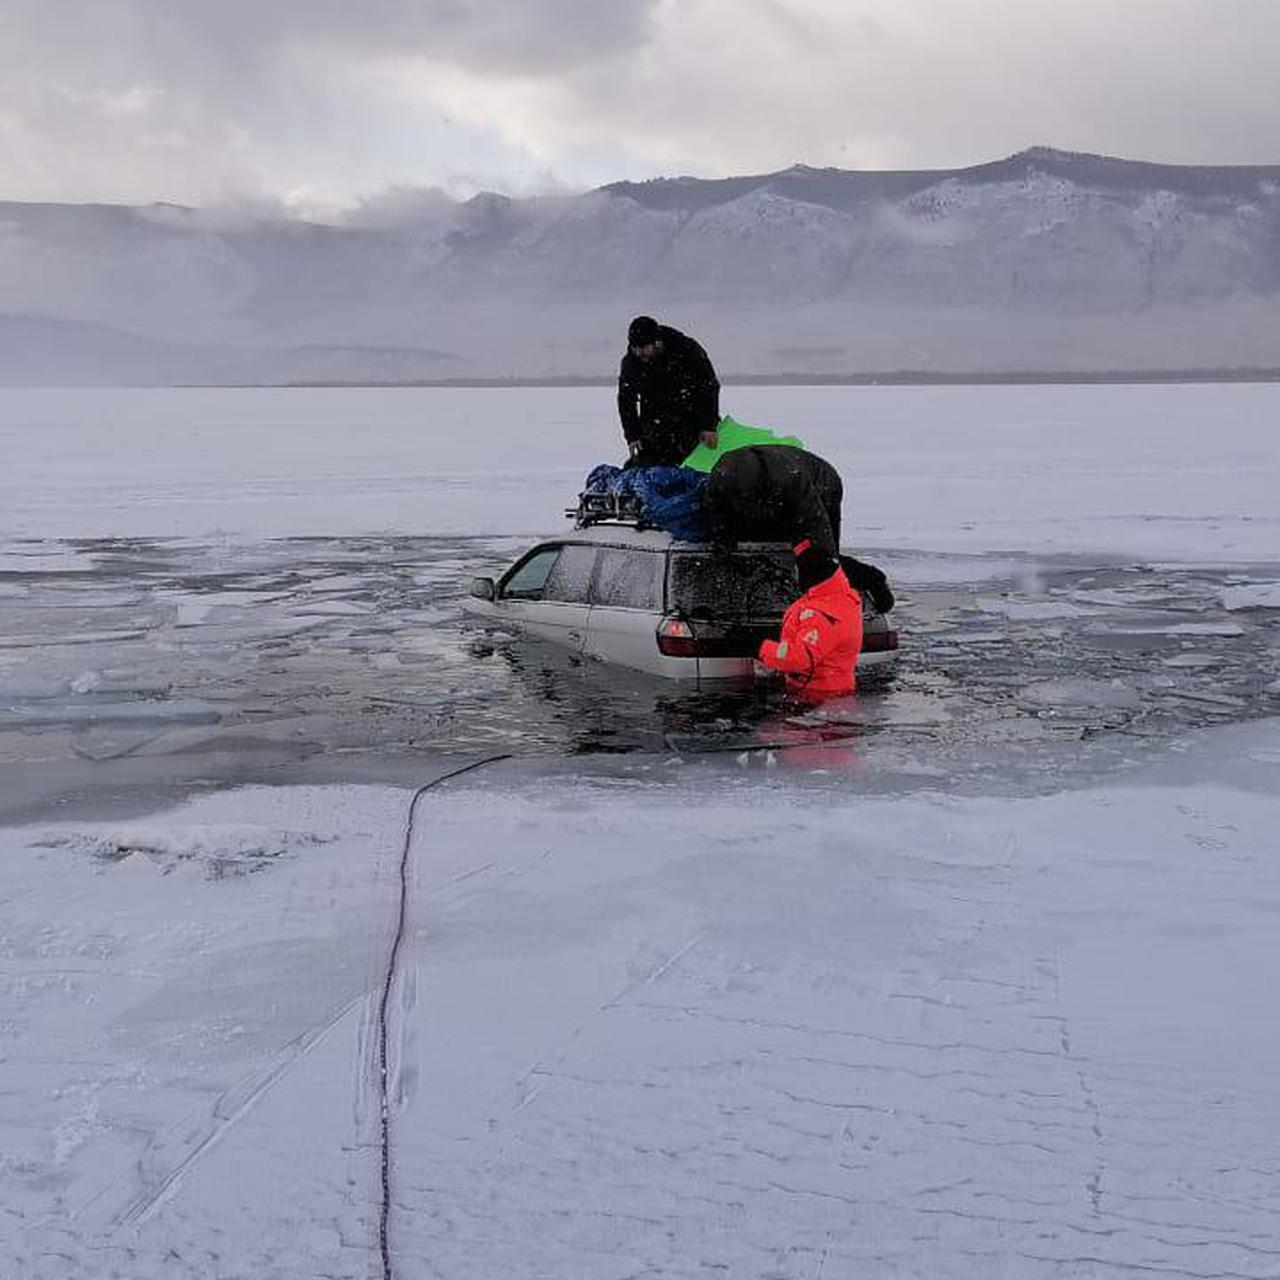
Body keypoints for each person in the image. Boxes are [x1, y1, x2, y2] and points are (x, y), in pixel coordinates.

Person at [757, 543, 864, 700]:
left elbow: (799, 658)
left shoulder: (822, 614)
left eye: (797, 571)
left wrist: (760, 646)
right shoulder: (839, 596)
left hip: (818, 697)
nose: (794, 576)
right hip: (831, 690)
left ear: (808, 574)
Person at [704, 444, 843, 560]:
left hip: (823, 485)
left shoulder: (789, 479)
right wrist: (724, 552)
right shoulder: (720, 480)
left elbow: (817, 524)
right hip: (774, 486)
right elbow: (717, 516)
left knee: (814, 548)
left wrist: (826, 560)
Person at [617, 316, 721, 467]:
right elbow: (626, 400)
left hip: (692, 424)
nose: (639, 353)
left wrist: (708, 426)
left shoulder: (686, 350)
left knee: (694, 468)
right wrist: (633, 435)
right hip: (655, 429)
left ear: (657, 342)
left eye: (644, 347)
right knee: (645, 468)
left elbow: (708, 386)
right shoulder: (631, 363)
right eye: (635, 348)